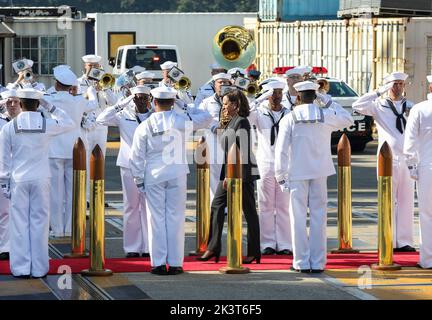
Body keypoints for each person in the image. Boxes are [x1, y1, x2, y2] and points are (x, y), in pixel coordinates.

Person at [130, 86, 212, 276]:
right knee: (175, 218)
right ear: (172, 102)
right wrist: (185, 106)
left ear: (154, 102)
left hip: (154, 174)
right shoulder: (182, 120)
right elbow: (207, 118)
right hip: (176, 173)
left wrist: (138, 178)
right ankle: (175, 263)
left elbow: (136, 156)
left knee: (156, 218)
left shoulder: (145, 126)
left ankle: (158, 263)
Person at [275, 81, 353, 273]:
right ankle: (318, 263)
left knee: (298, 217)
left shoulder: (290, 118)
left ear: (298, 96)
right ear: (314, 96)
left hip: (297, 173)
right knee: (319, 217)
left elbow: (281, 150)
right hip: (320, 172)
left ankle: (301, 262)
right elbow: (348, 119)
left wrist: (280, 175)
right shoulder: (326, 115)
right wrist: (327, 100)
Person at [0, 88, 74, 278]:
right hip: (41, 178)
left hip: (19, 179)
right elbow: (69, 123)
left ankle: (21, 268)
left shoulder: (9, 127)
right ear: (37, 104)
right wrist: (50, 106)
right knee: (40, 223)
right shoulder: (47, 124)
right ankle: (40, 268)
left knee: (19, 224)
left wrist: (4, 183)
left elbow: (4, 160)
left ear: (21, 104)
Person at [353, 72, 416, 252]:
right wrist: (377, 92)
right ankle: (388, 238)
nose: (397, 88)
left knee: (407, 200)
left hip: (407, 159)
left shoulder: (410, 106)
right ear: (388, 86)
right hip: (387, 158)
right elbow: (357, 105)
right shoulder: (378, 105)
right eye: (394, 84)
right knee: (387, 200)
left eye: (400, 84)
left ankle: (404, 241)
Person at [198, 89, 261, 264]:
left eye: (226, 104)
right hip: (229, 170)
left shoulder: (242, 122)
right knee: (217, 205)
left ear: (236, 104)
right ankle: (213, 247)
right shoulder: (231, 121)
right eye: (223, 104)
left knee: (249, 212)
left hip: (242, 172)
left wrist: (231, 176)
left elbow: (243, 150)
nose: (223, 107)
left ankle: (254, 250)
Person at [97, 86, 152, 258]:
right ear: (133, 99)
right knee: (131, 206)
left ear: (150, 99)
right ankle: (132, 247)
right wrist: (121, 103)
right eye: (138, 98)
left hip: (149, 165)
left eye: (145, 98)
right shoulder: (124, 115)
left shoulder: (154, 116)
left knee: (148, 207)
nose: (141, 101)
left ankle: (149, 247)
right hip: (128, 165)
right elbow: (101, 119)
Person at [47, 65, 98, 238]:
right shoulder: (77, 100)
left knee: (55, 193)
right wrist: (91, 90)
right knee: (73, 192)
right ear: (70, 86)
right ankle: (70, 228)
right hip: (75, 149)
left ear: (56, 83)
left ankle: (57, 229)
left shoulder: (49, 97)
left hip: (54, 149)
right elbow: (94, 104)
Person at [248, 80, 292, 256]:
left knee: (283, 206)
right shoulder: (259, 113)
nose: (277, 96)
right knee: (265, 205)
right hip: (265, 163)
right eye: (273, 93)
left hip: (284, 165)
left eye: (280, 92)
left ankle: (285, 243)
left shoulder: (289, 113)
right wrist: (259, 99)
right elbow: (245, 116)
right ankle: (267, 243)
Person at [403, 75, 432, 269]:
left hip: (427, 166)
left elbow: (410, 142)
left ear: (430, 87)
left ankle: (428, 259)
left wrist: (411, 166)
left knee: (427, 214)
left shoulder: (420, 109)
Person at [198, 73, 232, 204]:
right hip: (213, 143)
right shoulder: (206, 102)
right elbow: (199, 119)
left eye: (226, 82)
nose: (223, 85)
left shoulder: (236, 100)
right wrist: (212, 127)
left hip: (231, 142)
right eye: (220, 82)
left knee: (230, 174)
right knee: (214, 175)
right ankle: (215, 204)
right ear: (214, 85)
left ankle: (228, 204)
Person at [0, 90, 21, 261]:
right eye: (8, 102)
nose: (12, 105)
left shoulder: (27, 121)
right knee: (5, 212)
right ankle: (5, 247)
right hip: (3, 173)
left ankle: (20, 246)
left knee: (22, 212)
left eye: (15, 101)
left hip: (22, 173)